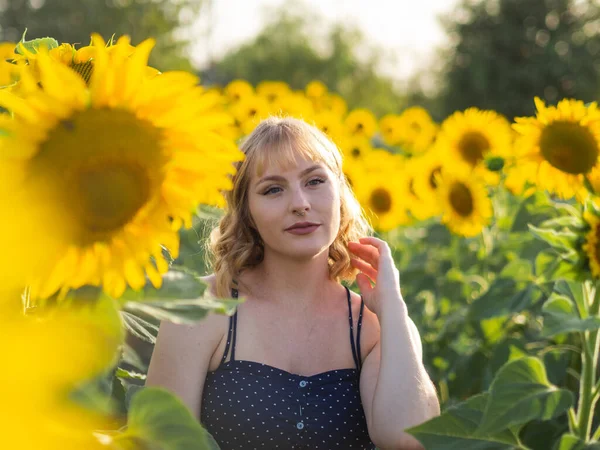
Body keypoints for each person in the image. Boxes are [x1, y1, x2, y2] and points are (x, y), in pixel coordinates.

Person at [145, 116, 440, 449]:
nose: (300, 204)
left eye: (314, 181)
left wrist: (393, 307)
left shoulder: (375, 326)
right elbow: (158, 443)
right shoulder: (203, 308)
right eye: (273, 189)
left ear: (340, 195)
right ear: (247, 212)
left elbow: (409, 440)